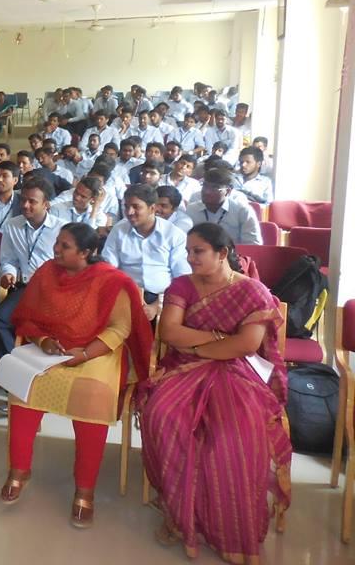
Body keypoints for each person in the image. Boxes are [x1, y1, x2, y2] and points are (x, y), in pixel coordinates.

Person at [136, 223, 291, 562]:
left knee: (232, 434)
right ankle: (179, 516)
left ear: (222, 254)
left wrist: (204, 348)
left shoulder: (252, 291)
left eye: (198, 251)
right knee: (163, 416)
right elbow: (170, 331)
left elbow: (248, 344)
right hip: (182, 367)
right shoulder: (181, 284)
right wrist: (221, 339)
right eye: (188, 251)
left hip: (236, 372)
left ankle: (230, 530)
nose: (189, 258)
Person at [0, 223, 153, 528]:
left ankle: (85, 490)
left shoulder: (112, 282)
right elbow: (29, 318)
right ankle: (19, 471)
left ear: (86, 253)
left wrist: (83, 353)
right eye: (57, 243)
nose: (56, 249)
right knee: (23, 387)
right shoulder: (47, 273)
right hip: (52, 350)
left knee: (91, 395)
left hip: (96, 352)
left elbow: (120, 329)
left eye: (64, 246)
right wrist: (42, 341)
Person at [0, 178, 63, 359]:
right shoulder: (12, 225)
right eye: (23, 200)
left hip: (54, 289)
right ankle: (11, 366)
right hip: (26, 288)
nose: (25, 205)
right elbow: (8, 259)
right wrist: (8, 273)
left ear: (46, 205)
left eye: (32, 202)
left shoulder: (61, 228)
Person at [101, 184, 191, 319]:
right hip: (126, 295)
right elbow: (108, 269)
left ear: (152, 208)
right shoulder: (119, 230)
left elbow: (182, 278)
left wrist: (157, 305)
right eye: (126, 206)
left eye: (136, 207)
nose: (129, 212)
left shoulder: (173, 234)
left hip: (164, 298)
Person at [186, 168, 262, 245]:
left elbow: (253, 245)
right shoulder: (191, 210)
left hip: (233, 255)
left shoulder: (243, 212)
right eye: (205, 186)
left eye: (214, 188)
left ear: (228, 191)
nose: (207, 192)